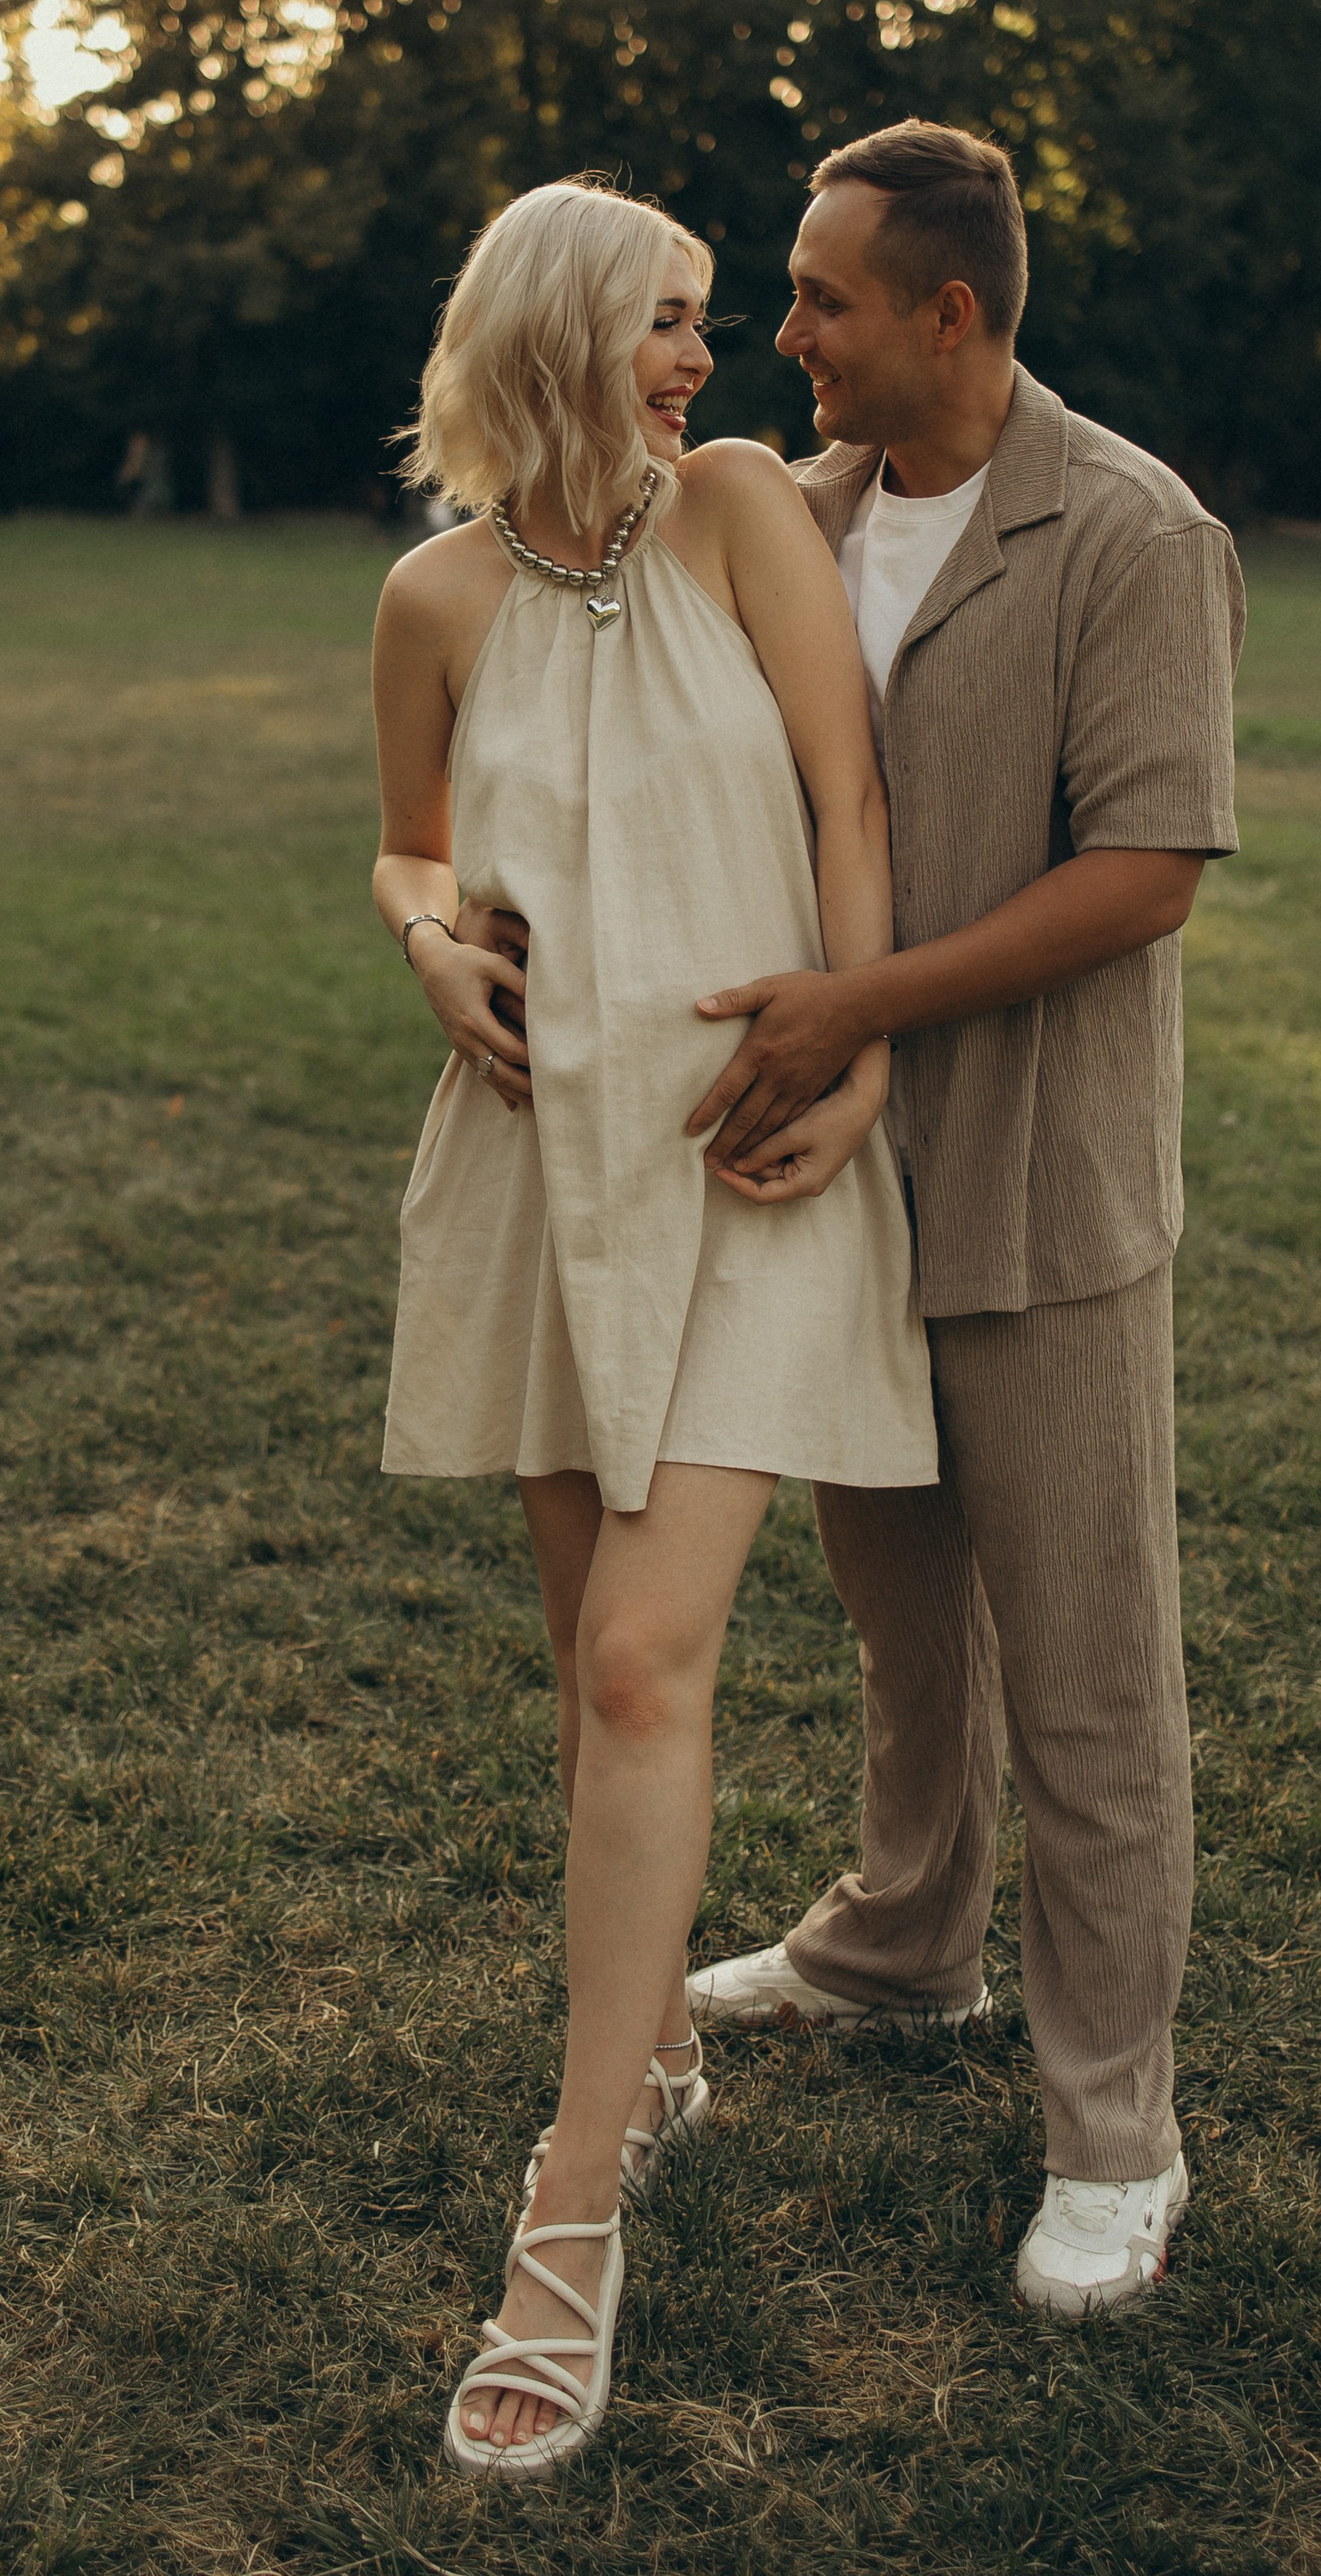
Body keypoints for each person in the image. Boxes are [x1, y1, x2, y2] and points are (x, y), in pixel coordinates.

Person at [371, 178, 937, 2481]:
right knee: (591, 1652)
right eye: (667, 326)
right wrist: (420, 934)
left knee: (641, 1659)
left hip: (748, 1155)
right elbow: (411, 847)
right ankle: (658, 2048)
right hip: (531, 1169)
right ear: (553, 334)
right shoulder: (430, 595)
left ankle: (571, 2208)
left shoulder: (735, 521)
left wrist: (870, 1049)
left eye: (717, 322)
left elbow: (847, 794)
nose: (708, 365)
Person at [669, 122, 1246, 2319]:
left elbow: (1146, 870)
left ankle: (1117, 2128)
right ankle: (904, 1943)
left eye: (817, 297)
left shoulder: (1127, 531)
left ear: (949, 311)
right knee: (904, 1610)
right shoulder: (790, 515)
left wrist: (860, 1003)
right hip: (836, 1179)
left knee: (1088, 1679)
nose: (779, 334)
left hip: (1039, 1184)